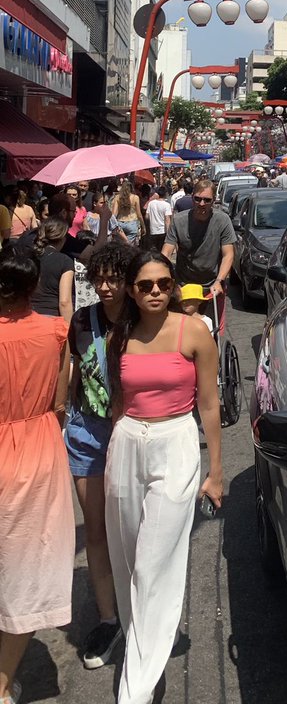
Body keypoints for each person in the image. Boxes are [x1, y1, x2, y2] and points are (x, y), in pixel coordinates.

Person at [105, 253, 222, 704]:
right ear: (132, 290)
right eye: (144, 284)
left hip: (176, 442)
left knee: (155, 562)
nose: (154, 290)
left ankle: (135, 688)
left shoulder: (192, 330)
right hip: (129, 441)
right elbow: (119, 399)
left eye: (162, 283)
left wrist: (216, 470)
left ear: (172, 286)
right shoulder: (122, 334)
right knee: (131, 557)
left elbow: (209, 404)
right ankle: (152, 633)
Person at [0, 246, 74, 704]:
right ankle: (2, 681)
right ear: (34, 288)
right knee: (28, 569)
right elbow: (61, 402)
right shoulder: (55, 331)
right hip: (39, 446)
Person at [64, 243, 136, 670]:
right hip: (87, 434)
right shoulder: (82, 320)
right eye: (99, 279)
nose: (106, 287)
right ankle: (109, 619)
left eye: (114, 278)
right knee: (95, 531)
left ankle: (139, 609)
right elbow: (71, 367)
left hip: (131, 436)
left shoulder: (144, 320)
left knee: (132, 527)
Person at [162, 177, 235, 296]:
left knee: (211, 315)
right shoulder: (179, 220)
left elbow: (228, 254)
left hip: (212, 285)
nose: (201, 204)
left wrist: (219, 281)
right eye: (197, 199)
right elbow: (167, 251)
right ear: (192, 198)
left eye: (207, 200)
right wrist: (165, 277)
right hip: (184, 284)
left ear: (213, 201)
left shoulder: (222, 220)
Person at [31, 219, 75, 325]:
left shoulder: (29, 257)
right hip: (51, 319)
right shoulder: (65, 261)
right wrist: (69, 333)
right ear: (63, 237)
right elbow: (64, 302)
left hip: (27, 317)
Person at [111, 180, 145, 246]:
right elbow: (139, 214)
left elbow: (114, 214)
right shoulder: (135, 197)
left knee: (120, 246)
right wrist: (143, 226)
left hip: (120, 223)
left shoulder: (117, 197)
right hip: (132, 223)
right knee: (130, 247)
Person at [145, 184, 172, 251]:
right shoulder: (167, 205)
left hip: (152, 230)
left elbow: (147, 216)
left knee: (153, 249)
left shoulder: (151, 203)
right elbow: (167, 219)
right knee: (161, 249)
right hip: (162, 231)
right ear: (165, 194)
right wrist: (168, 232)